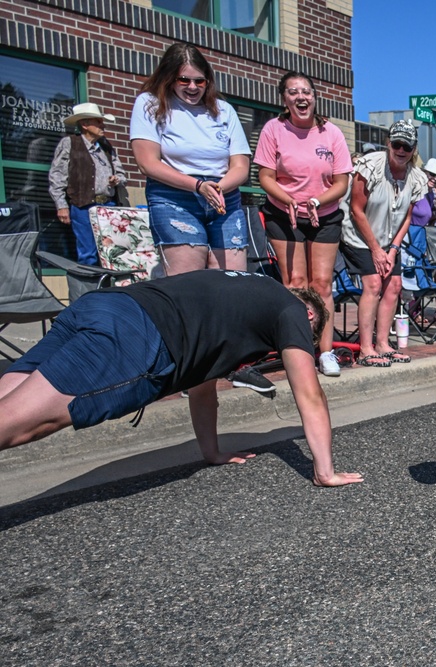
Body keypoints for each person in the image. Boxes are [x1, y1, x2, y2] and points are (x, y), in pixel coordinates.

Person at [0, 270, 363, 489]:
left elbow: (202, 387)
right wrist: (324, 471)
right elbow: (309, 394)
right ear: (309, 312)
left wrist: (213, 453)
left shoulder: (248, 293)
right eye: (309, 333)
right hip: (137, 335)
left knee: (10, 396)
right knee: (18, 425)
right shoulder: (292, 309)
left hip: (104, 304)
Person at [253, 71, 353, 377]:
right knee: (295, 283)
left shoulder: (331, 132)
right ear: (284, 99)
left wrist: (316, 202)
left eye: (306, 91)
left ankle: (325, 352)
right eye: (293, 92)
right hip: (284, 214)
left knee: (321, 284)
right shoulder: (274, 129)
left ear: (314, 96)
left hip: (323, 214)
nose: (301, 97)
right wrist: (288, 201)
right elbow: (265, 176)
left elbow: (341, 182)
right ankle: (298, 349)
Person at [130, 43, 251, 276]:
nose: (193, 87)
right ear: (169, 78)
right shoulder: (150, 104)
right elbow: (147, 163)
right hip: (174, 197)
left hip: (223, 195)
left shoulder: (224, 110)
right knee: (188, 282)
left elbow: (241, 165)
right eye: (184, 80)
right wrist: (197, 186)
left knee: (233, 283)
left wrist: (218, 188)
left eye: (200, 81)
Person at [344, 120, 426, 367]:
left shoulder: (417, 177)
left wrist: (393, 248)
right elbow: (356, 209)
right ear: (389, 144)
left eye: (407, 147)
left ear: (414, 149)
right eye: (397, 145)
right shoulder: (370, 165)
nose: (401, 151)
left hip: (389, 239)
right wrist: (376, 249)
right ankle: (365, 347)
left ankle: (382, 343)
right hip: (359, 234)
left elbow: (407, 217)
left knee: (394, 285)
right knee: (373, 283)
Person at [49, 103, 128, 266]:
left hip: (108, 206)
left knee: (112, 251)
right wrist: (61, 205)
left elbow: (121, 173)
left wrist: (117, 179)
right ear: (84, 124)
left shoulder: (106, 146)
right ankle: (90, 289)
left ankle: (111, 288)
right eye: (98, 122)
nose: (102, 125)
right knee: (88, 254)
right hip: (82, 206)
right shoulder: (70, 143)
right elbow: (57, 176)